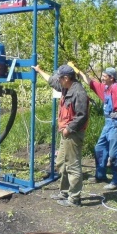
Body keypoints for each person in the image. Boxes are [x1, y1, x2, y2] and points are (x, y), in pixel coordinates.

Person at [32, 64, 89, 207]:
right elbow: (52, 81)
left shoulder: (78, 93)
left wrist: (68, 129)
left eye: (60, 78)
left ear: (66, 78)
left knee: (72, 165)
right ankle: (64, 192)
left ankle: (74, 199)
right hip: (66, 132)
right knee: (61, 163)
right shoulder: (66, 86)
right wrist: (39, 70)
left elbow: (82, 116)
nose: (58, 80)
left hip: (73, 134)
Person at [76, 66, 117, 190]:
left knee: (115, 153)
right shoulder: (105, 88)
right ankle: (100, 175)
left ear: (111, 78)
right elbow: (90, 82)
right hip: (108, 123)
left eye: (104, 76)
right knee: (99, 148)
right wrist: (77, 71)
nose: (102, 78)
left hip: (116, 124)